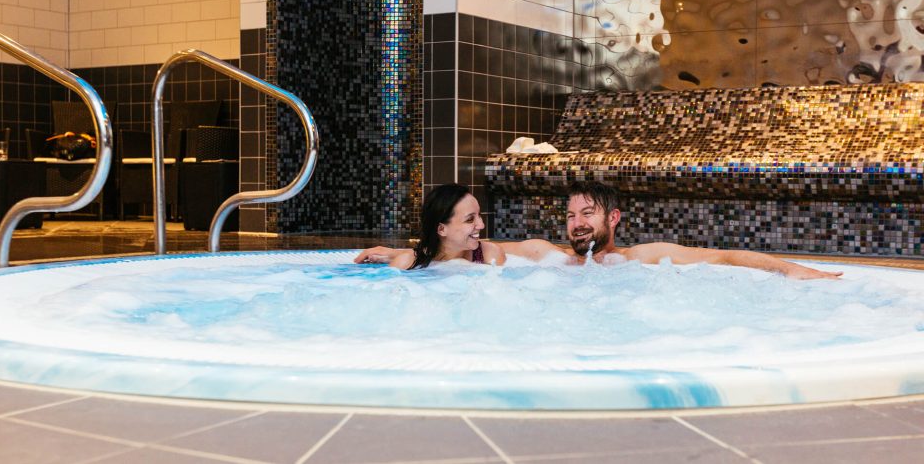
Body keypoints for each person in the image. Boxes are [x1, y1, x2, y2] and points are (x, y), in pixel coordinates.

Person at [357, 181, 842, 280]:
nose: (577, 223)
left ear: (613, 219)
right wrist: (397, 249)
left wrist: (794, 271)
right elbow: (457, 249)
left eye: (587, 213)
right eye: (570, 215)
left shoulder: (638, 258)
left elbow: (722, 258)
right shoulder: (546, 255)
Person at [389, 183, 505, 270]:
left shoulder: (489, 255)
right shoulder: (406, 265)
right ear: (441, 229)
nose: (481, 225)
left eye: (479, 215)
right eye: (470, 219)